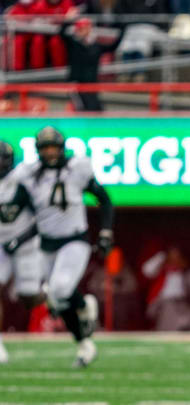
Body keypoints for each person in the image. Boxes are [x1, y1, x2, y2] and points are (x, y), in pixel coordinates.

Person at [12, 126, 114, 368]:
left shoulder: (77, 168)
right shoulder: (28, 174)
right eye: (45, 148)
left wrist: (106, 232)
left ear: (62, 148)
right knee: (55, 299)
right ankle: (84, 342)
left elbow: (105, 199)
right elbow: (17, 208)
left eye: (53, 147)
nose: (50, 152)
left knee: (58, 290)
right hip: (45, 243)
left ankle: (82, 311)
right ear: (38, 150)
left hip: (74, 239)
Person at [0, 141, 45, 364]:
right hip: (0, 243)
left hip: (25, 242)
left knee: (29, 298)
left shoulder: (22, 182)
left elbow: (44, 218)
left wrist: (19, 239)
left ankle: (58, 297)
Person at [59, 10, 126, 111]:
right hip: (76, 85)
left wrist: (122, 28)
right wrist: (68, 19)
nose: (84, 31)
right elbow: (61, 33)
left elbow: (113, 47)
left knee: (97, 109)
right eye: (81, 29)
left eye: (86, 28)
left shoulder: (95, 46)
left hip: (92, 85)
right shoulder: (74, 44)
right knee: (82, 109)